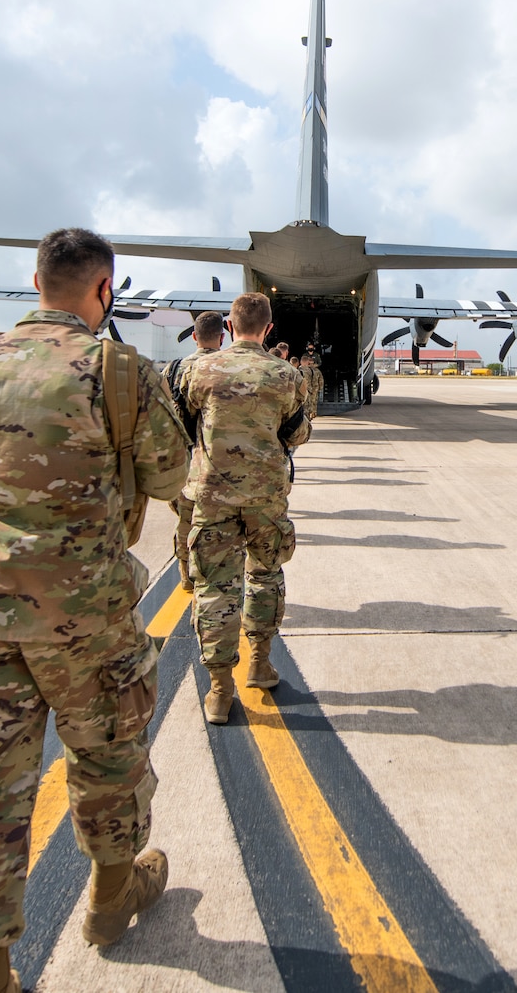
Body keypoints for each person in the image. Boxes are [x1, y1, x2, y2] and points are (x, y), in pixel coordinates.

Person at [0, 228, 189, 991]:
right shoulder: (121, 371)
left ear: (36, 283)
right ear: (105, 289)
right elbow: (170, 475)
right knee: (109, 757)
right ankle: (110, 898)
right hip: (87, 620)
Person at [183, 291, 310, 724]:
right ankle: (259, 663)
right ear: (268, 329)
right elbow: (297, 434)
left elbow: (186, 421)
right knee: (265, 575)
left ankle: (220, 691)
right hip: (265, 498)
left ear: (229, 327)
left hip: (212, 496)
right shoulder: (286, 374)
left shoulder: (200, 370)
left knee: (214, 588)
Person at [163, 311, 225, 593]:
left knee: (185, 521)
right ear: (222, 338)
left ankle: (187, 576)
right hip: (217, 462)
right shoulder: (226, 368)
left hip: (182, 461)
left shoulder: (173, 369)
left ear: (194, 336)